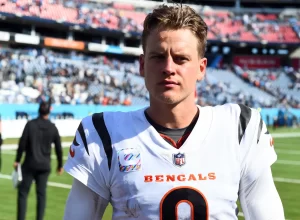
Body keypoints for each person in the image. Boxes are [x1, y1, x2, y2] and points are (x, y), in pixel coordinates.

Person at [63, 4, 285, 220]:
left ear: (201, 68)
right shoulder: (102, 134)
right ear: (142, 65)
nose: (169, 68)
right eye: (158, 56)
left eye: (181, 59)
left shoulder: (240, 127)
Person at [14, 100, 63, 220]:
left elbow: (22, 143)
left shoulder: (30, 124)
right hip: (44, 166)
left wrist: (17, 160)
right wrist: (60, 165)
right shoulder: (52, 128)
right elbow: (58, 149)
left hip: (29, 164)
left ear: (38, 110)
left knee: (23, 194)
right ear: (49, 111)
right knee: (41, 195)